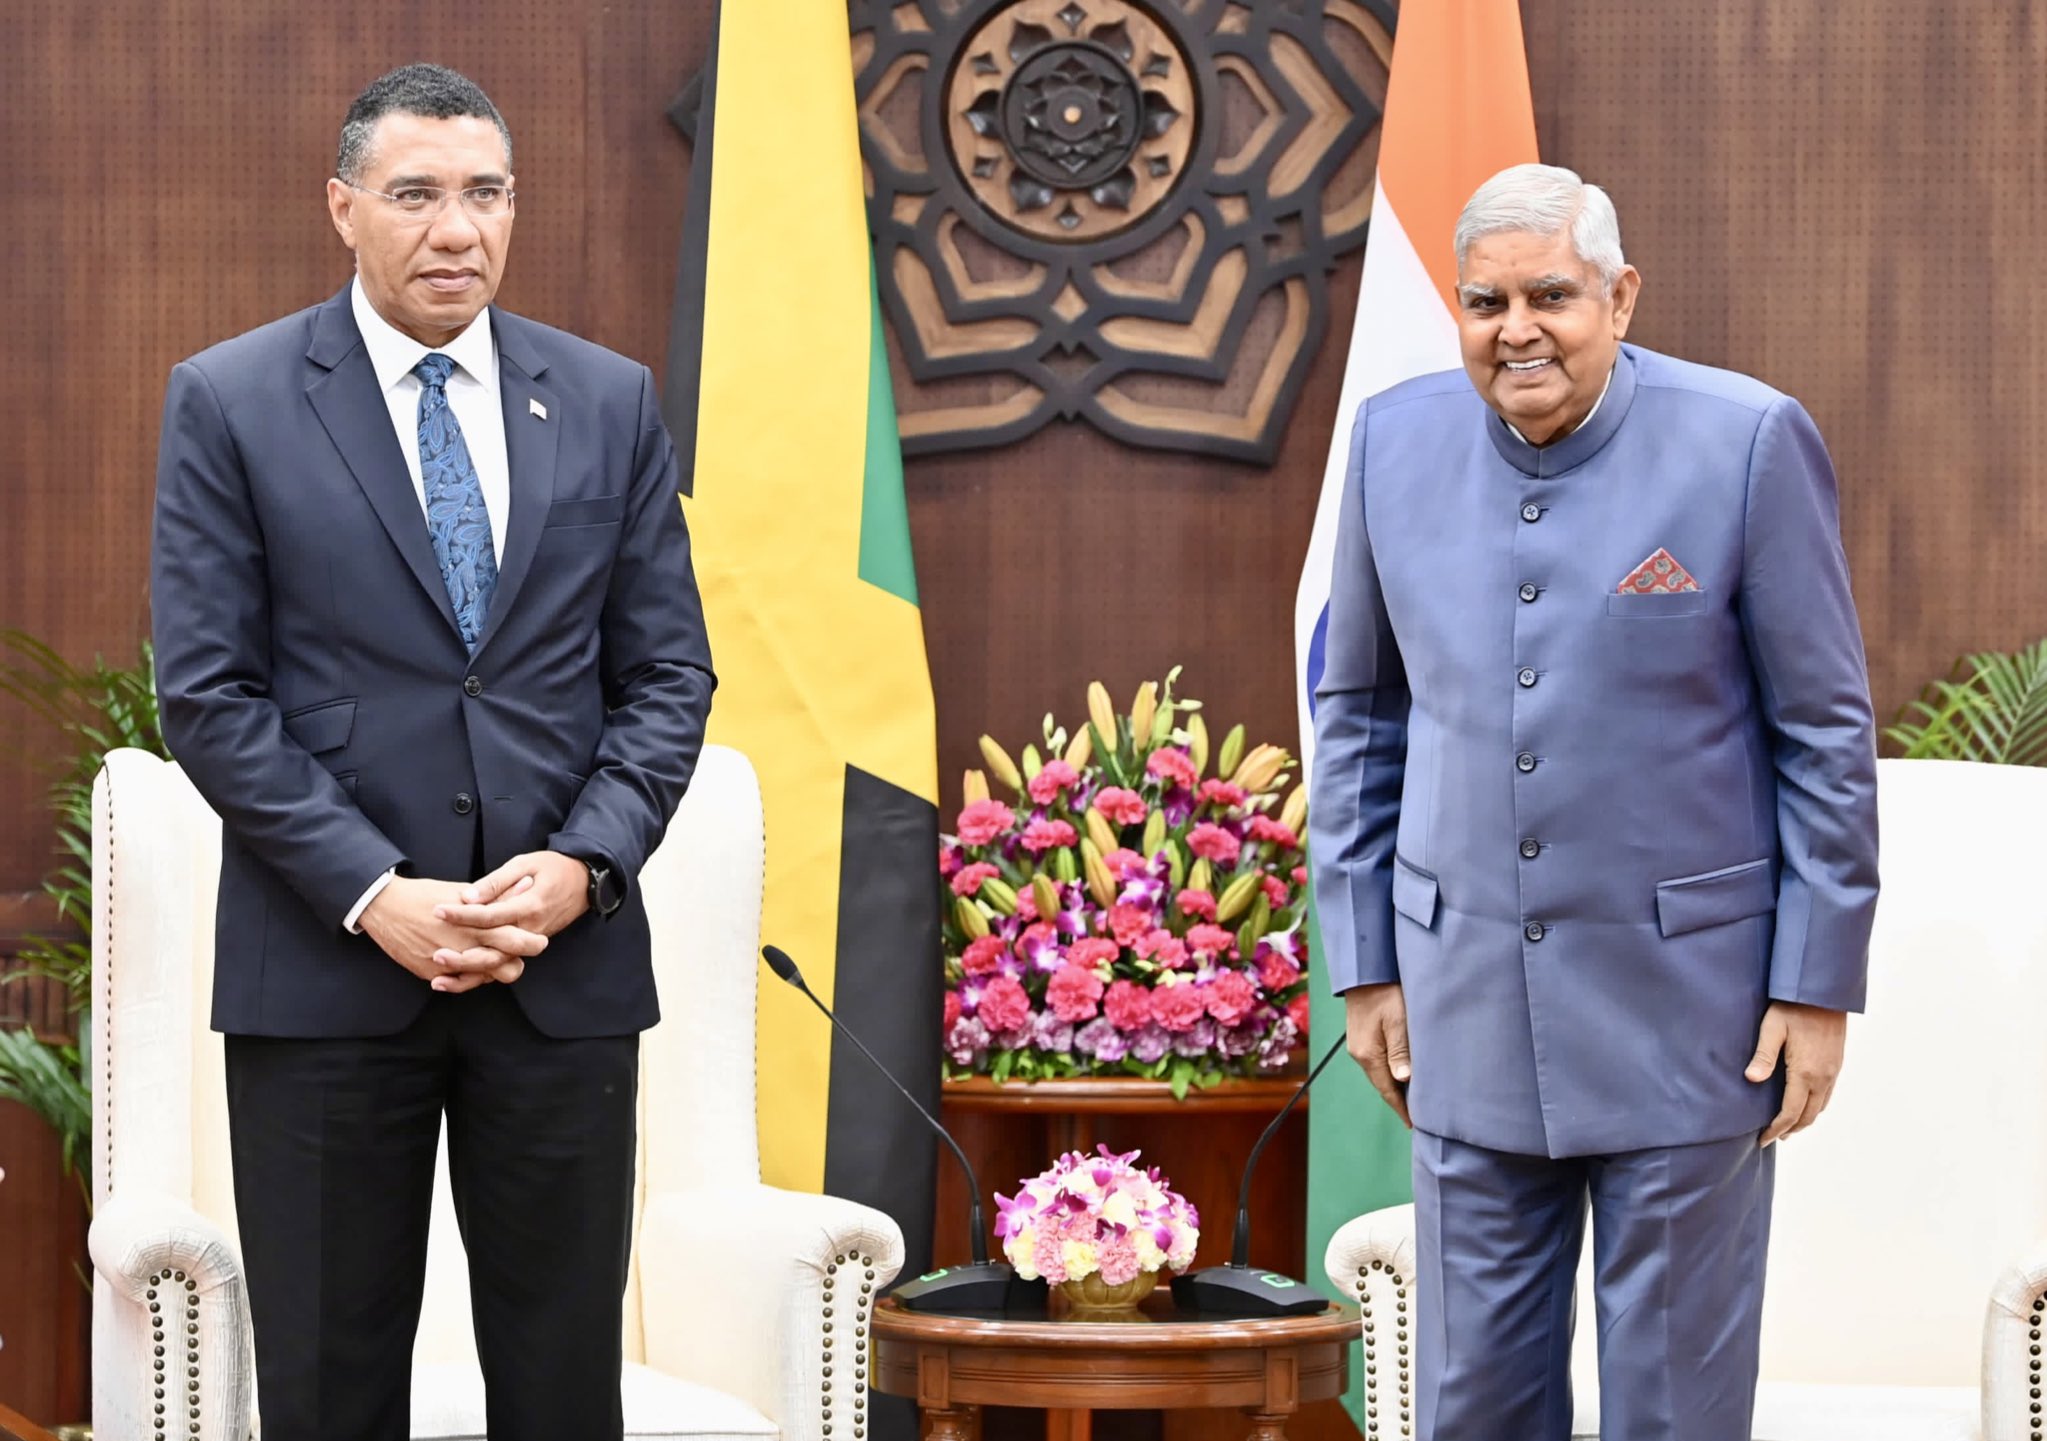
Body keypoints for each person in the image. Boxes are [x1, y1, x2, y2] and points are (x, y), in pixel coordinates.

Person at [150, 63, 715, 1440]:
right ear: (342, 208)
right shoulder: (231, 399)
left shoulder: (604, 399)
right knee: (332, 1393)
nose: (455, 229)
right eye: (414, 194)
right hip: (330, 977)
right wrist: (373, 891)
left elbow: (665, 676)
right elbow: (210, 695)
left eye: (484, 193)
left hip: (556, 974)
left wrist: (585, 865)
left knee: (561, 1388)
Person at [1308, 163, 1878, 1440]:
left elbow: (1824, 730)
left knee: (1672, 1412)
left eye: (1551, 295)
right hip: (1461, 1017)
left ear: (1619, 297)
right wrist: (1365, 964)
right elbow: (1357, 716)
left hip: (1696, 1020)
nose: (1518, 328)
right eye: (1485, 300)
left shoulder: (1746, 438)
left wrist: (1815, 982)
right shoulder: (1391, 441)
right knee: (1473, 1407)